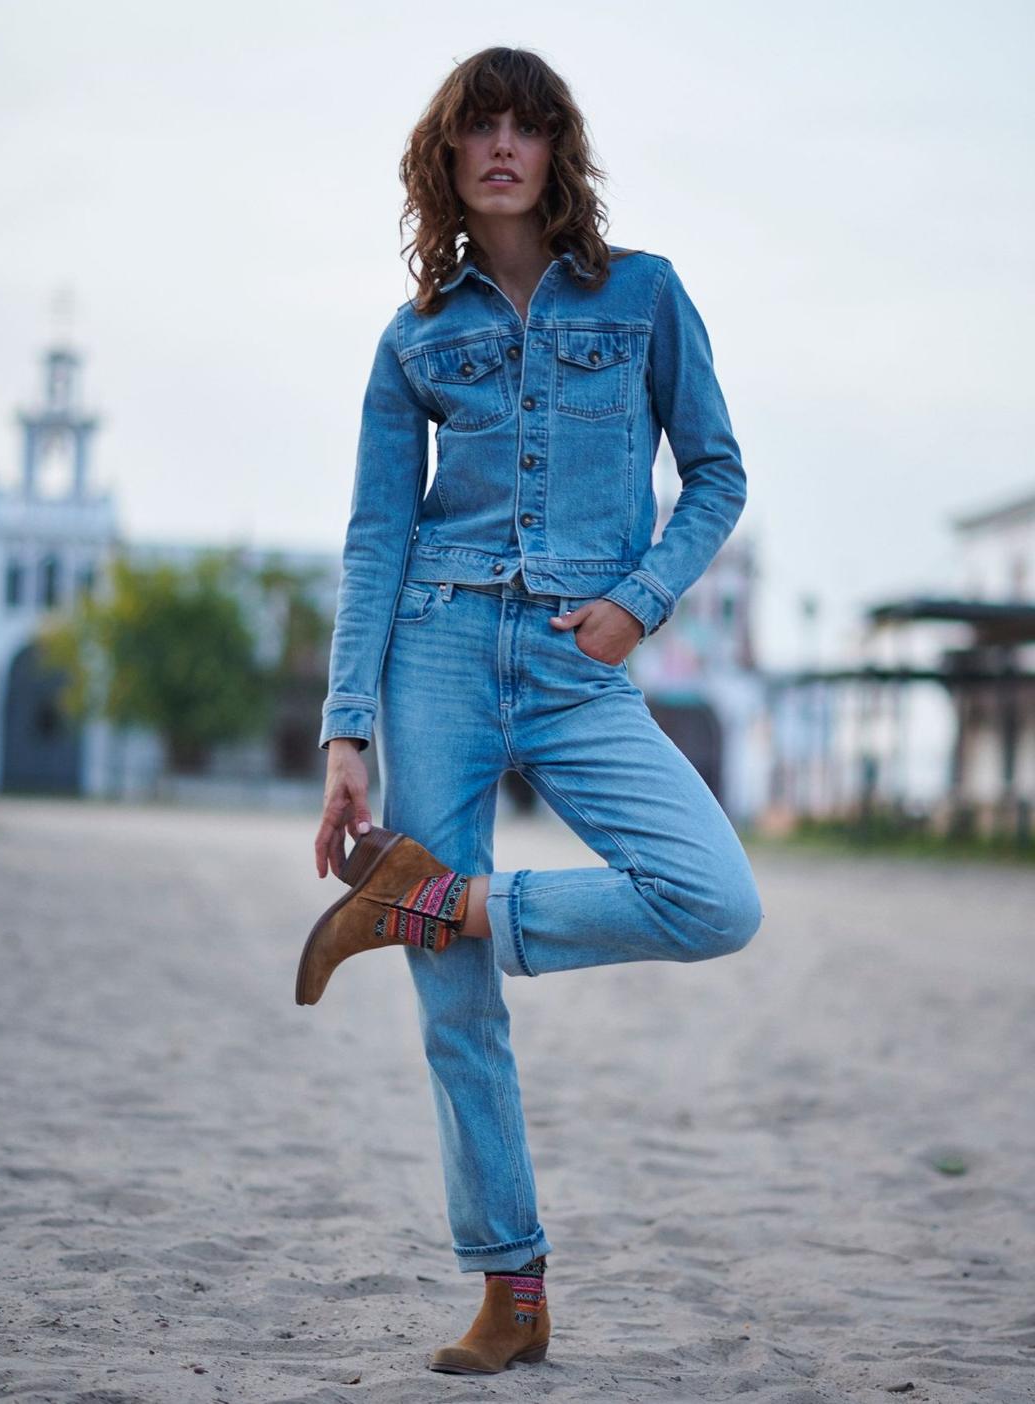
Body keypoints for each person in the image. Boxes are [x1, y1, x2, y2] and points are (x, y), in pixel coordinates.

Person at [297, 45, 764, 1375]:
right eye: (478, 126)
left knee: (715, 896)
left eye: (527, 124)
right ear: (446, 156)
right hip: (437, 650)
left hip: (577, 660)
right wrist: (346, 731)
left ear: (558, 149)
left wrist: (642, 600)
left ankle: (438, 902)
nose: (502, 145)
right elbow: (376, 537)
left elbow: (717, 475)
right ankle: (512, 1293)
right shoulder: (413, 338)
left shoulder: (645, 294)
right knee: (456, 1009)